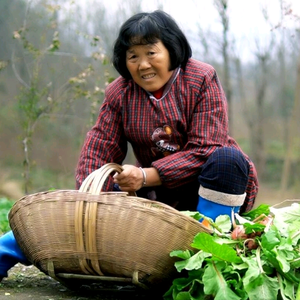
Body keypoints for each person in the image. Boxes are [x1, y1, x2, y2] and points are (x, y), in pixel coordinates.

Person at [0, 10, 258, 281]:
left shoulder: (201, 78)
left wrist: (146, 176)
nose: (143, 64)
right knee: (104, 190)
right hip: (157, 198)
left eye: (151, 52)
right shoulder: (119, 93)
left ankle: (208, 251)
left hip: (212, 185)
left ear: (171, 49)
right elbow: (98, 148)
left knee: (226, 158)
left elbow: (207, 148)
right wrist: (89, 200)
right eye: (133, 56)